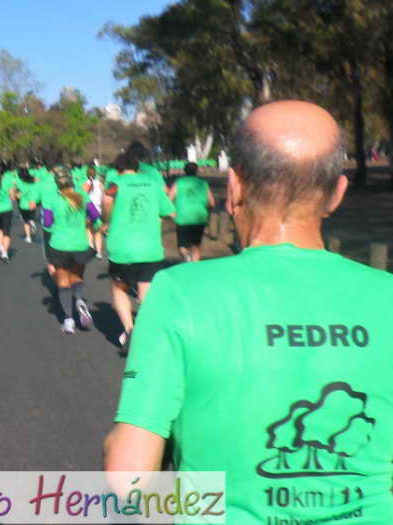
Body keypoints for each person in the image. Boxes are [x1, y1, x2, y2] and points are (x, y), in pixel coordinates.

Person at [103, 100, 393, 523]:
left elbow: (129, 478)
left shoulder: (179, 292)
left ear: (235, 186)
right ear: (337, 193)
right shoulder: (386, 295)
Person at [102, 152, 175, 355]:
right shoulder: (153, 183)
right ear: (137, 167)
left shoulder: (115, 183)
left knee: (119, 289)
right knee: (146, 296)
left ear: (118, 169)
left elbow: (106, 199)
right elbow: (169, 211)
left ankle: (130, 329)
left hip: (122, 248)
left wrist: (107, 220)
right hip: (151, 248)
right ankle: (147, 333)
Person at [44, 168, 98, 334]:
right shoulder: (83, 196)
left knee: (63, 282)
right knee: (77, 277)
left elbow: (47, 224)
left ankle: (69, 320)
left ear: (57, 184)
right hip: (80, 244)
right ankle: (80, 300)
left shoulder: (51, 199)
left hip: (59, 245)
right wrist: (95, 227)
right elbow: (95, 216)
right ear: (71, 181)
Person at [169, 162, 216, 261]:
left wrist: (172, 213)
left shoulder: (179, 183)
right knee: (196, 245)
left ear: (184, 171)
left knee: (182, 246)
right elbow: (212, 202)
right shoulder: (203, 183)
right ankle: (195, 265)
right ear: (197, 171)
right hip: (199, 217)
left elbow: (169, 198)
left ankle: (186, 256)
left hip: (183, 217)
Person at [83, 164, 104, 258]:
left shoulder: (85, 184)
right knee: (98, 232)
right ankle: (99, 252)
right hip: (99, 209)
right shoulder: (100, 183)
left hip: (89, 209)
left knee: (89, 229)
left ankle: (91, 247)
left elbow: (83, 197)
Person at [16, 167, 39, 244]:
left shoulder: (21, 183)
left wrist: (16, 194)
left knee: (25, 222)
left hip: (24, 205)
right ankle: (32, 222)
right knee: (31, 216)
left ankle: (28, 237)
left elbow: (18, 195)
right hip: (33, 203)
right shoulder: (33, 182)